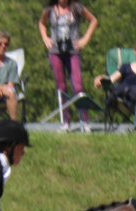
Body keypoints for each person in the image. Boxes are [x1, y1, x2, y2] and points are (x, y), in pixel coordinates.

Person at [39, 0, 98, 132]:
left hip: (73, 51)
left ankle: (84, 121)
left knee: (78, 86)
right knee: (61, 87)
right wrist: (45, 37)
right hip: (55, 51)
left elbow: (93, 20)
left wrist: (85, 39)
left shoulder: (76, 7)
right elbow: (42, 23)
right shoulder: (49, 9)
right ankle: (66, 122)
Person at [95, 39, 136, 133]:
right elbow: (111, 79)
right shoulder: (126, 67)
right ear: (135, 51)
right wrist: (100, 79)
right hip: (128, 98)